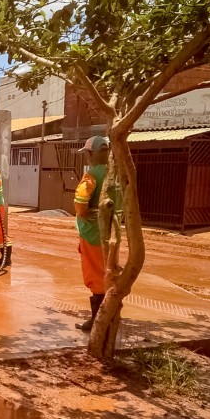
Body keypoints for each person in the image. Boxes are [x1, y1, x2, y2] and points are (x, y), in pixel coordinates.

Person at [73, 136, 122, 331]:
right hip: (112, 233)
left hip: (94, 234)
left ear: (90, 154)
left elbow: (80, 199)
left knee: (95, 274)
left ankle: (98, 321)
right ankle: (110, 317)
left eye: (86, 153)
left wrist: (82, 214)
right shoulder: (114, 174)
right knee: (109, 270)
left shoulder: (91, 176)